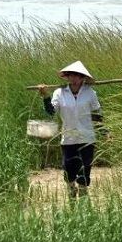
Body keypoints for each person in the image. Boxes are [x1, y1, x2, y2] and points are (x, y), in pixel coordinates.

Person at [37, 60, 105, 197]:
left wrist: (104, 131)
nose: (74, 79)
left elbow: (97, 114)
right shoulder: (59, 93)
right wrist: (45, 96)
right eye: (71, 75)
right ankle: (71, 189)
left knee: (85, 168)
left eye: (77, 76)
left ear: (82, 78)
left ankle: (83, 192)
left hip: (87, 137)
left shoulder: (90, 93)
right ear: (67, 77)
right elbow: (51, 112)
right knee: (69, 169)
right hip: (68, 138)